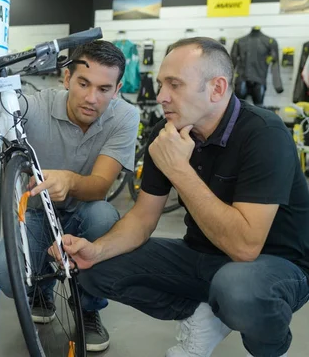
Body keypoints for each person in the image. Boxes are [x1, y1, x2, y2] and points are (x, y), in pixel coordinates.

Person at [51, 37, 309, 357]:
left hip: (274, 266)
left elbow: (245, 246)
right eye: (161, 84)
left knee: (239, 289)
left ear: (216, 88)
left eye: (174, 84)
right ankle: (202, 313)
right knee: (93, 269)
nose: (161, 96)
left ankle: (272, 349)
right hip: (200, 255)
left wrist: (180, 171)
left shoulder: (264, 134)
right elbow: (143, 218)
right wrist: (96, 249)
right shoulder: (168, 130)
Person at [0, 40, 140, 352]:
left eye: (103, 89)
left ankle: (88, 307)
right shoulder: (34, 105)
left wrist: (69, 180)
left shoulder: (125, 116)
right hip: (37, 214)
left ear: (117, 88)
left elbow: (100, 186)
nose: (91, 98)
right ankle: (43, 289)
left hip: (86, 212)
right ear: (67, 77)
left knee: (104, 217)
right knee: (6, 273)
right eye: (83, 83)